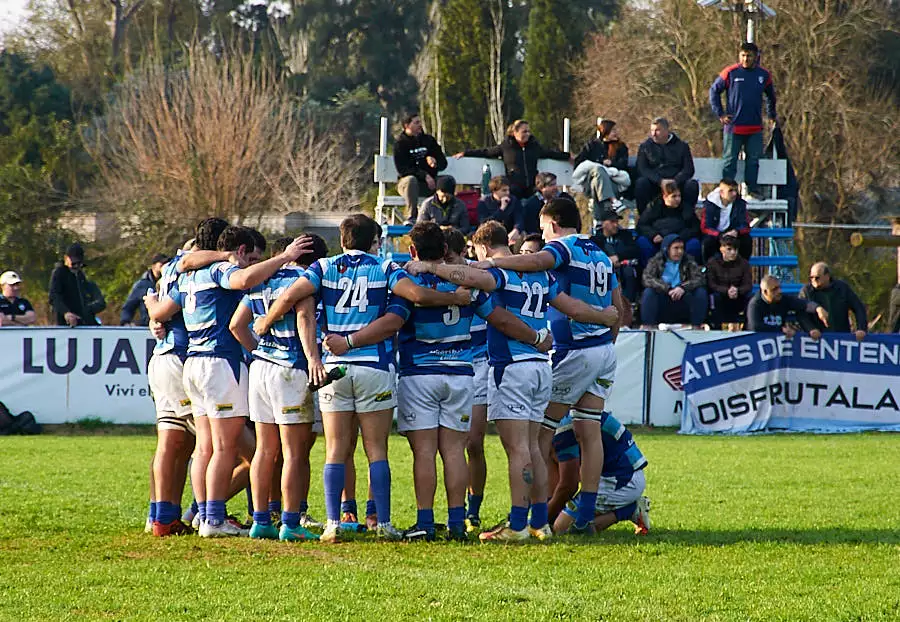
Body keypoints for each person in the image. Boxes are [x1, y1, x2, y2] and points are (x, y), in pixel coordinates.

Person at [251, 214, 472, 543]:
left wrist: (264, 323)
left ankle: (331, 523)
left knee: (336, 450)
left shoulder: (324, 267)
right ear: (374, 242)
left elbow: (290, 297)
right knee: (376, 450)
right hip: (373, 367)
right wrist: (453, 298)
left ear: (342, 241)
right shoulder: (383, 267)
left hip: (334, 369)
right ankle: (382, 523)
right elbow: (417, 296)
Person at [458, 200, 625, 538]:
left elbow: (536, 261)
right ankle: (582, 516)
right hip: (603, 350)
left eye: (543, 225)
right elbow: (617, 304)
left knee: (536, 437)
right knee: (588, 431)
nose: (544, 234)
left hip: (572, 351)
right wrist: (608, 335)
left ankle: (528, 518)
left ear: (552, 223)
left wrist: (495, 261)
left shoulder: (564, 247)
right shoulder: (600, 254)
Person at [145, 226, 312, 538]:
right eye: (251, 257)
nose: (253, 264)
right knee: (224, 447)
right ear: (239, 251)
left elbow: (163, 309)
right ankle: (213, 518)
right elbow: (244, 280)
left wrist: (151, 309)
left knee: (206, 448)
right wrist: (286, 257)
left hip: (193, 362)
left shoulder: (189, 274)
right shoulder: (221, 269)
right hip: (219, 362)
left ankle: (204, 514)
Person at [398, 223, 554, 541]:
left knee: (426, 453)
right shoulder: (505, 280)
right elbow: (500, 317)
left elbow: (400, 311)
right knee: (461, 450)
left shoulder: (408, 279)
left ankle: (430, 522)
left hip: (425, 373)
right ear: (445, 250)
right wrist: (538, 336)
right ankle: (464, 522)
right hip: (466, 373)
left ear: (413, 251)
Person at [229, 236, 328, 542]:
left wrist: (259, 349)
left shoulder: (263, 279)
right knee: (294, 452)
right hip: (290, 369)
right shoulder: (304, 279)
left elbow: (236, 325)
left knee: (265, 449)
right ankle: (290, 522)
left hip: (260, 369)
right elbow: (304, 316)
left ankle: (261, 521)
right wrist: (313, 357)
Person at [551, 412, 650, 536]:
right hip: (623, 474)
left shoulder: (563, 426)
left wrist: (542, 521)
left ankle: (630, 510)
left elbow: (569, 485)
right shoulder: (575, 412)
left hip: (621, 481)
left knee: (562, 528)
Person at [709, 42, 778, 200]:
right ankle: (726, 191)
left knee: (753, 161)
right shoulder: (730, 72)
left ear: (756, 57)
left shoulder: (764, 75)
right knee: (730, 161)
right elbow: (714, 91)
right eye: (743, 56)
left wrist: (771, 114)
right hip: (734, 127)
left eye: (749, 56)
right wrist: (720, 113)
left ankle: (752, 190)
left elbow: (771, 97)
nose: (746, 59)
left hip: (754, 128)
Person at [454, 119, 570, 200]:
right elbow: (487, 152)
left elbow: (550, 153)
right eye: (524, 131)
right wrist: (466, 153)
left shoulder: (534, 146)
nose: (528, 134)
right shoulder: (506, 146)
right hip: (515, 187)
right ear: (515, 132)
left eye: (529, 131)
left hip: (532, 186)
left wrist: (568, 156)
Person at [635, 118, 699, 215]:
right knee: (641, 183)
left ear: (666, 130)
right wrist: (660, 181)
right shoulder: (645, 147)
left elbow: (688, 169)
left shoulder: (682, 146)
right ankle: (644, 218)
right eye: (652, 130)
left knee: (692, 185)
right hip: (655, 184)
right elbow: (642, 169)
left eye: (657, 130)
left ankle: (687, 217)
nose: (653, 134)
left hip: (677, 183)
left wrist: (675, 181)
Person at [640, 234, 707, 327]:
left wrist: (682, 288)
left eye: (682, 248)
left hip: (683, 297)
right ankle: (648, 327)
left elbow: (700, 278)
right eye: (676, 248)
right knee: (649, 292)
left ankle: (697, 327)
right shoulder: (656, 260)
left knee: (701, 292)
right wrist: (667, 289)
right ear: (667, 249)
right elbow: (647, 278)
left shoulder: (688, 260)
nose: (679, 251)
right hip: (664, 297)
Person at [394, 112, 447, 225]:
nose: (420, 125)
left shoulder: (429, 141)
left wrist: (434, 160)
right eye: (416, 122)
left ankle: (445, 217)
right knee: (411, 180)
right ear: (407, 125)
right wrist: (425, 175)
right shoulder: (400, 144)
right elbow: (403, 170)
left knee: (447, 181)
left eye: (420, 122)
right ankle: (411, 217)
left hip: (429, 185)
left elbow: (443, 163)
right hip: (408, 186)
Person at [573, 119, 632, 221]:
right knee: (598, 170)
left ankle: (601, 223)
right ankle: (612, 204)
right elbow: (580, 163)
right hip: (591, 183)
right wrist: (601, 164)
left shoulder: (621, 147)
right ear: (606, 131)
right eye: (613, 130)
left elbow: (623, 165)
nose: (616, 132)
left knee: (599, 187)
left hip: (612, 183)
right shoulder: (592, 146)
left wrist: (611, 164)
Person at [636, 181, 701, 265]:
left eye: (679, 196)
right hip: (658, 242)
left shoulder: (686, 208)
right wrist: (653, 235)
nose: (678, 199)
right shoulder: (654, 207)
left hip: (680, 241)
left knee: (694, 244)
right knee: (642, 242)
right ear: (665, 197)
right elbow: (642, 225)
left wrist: (679, 238)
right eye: (674, 196)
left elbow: (695, 227)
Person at [800, 263, 867, 340]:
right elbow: (801, 311)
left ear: (827, 276)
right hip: (817, 338)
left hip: (841, 335)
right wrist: (810, 329)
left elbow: (858, 307)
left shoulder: (842, 288)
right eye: (811, 278)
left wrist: (861, 328)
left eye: (817, 277)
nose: (814, 280)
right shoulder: (806, 291)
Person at [746, 275, 827, 338]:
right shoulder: (755, 304)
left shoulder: (782, 299)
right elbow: (755, 327)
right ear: (765, 292)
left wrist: (818, 308)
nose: (779, 291)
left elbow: (802, 304)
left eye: (779, 287)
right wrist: (781, 330)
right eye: (774, 289)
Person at [48, 243, 106, 327]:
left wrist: (87, 310)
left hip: (83, 321)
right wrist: (65, 312)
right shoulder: (59, 273)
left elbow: (97, 301)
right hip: (65, 323)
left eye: (78, 264)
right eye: (73, 263)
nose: (76, 267)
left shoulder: (81, 276)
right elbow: (54, 296)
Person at [592, 210, 640, 304]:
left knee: (629, 272)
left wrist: (618, 256)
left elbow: (635, 249)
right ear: (603, 223)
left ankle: (629, 304)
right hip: (603, 270)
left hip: (624, 267)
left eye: (617, 222)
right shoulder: (595, 240)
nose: (616, 225)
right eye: (612, 222)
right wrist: (608, 260)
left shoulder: (625, 235)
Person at [705, 236, 752, 329]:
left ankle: (747, 329)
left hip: (738, 297)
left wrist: (737, 290)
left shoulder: (744, 263)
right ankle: (716, 330)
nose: (733, 252)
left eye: (735, 249)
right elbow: (711, 284)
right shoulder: (712, 263)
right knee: (714, 297)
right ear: (721, 249)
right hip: (721, 297)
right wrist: (726, 291)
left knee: (751, 298)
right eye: (729, 249)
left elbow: (748, 285)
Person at [700, 178, 752, 261]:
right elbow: (705, 227)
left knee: (746, 240)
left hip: (733, 235)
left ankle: (743, 267)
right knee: (707, 242)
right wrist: (719, 235)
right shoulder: (710, 205)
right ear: (721, 192)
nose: (734, 194)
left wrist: (736, 231)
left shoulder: (740, 204)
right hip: (716, 236)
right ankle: (707, 269)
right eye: (730, 191)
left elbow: (746, 225)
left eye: (736, 190)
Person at [121, 253, 169, 326]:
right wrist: (126, 322)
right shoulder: (141, 285)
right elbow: (129, 307)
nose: (165, 267)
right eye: (162, 264)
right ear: (153, 266)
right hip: (147, 328)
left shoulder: (170, 282)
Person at [476, 176, 524, 243]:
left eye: (508, 190)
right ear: (494, 191)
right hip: (491, 234)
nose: (507, 193)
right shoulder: (484, 202)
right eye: (504, 190)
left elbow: (519, 219)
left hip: (509, 232)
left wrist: (516, 230)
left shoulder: (513, 200)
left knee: (521, 235)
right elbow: (484, 223)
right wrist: (501, 209)